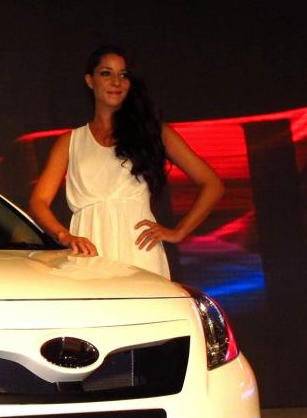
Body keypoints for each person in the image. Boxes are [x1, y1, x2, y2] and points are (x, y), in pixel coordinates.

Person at [28, 45, 225, 278]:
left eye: (123, 75)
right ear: (90, 81)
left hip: (139, 249)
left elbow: (212, 185)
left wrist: (178, 232)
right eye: (106, 73)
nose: (116, 82)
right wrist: (65, 236)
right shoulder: (70, 141)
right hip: (89, 248)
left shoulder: (152, 132)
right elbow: (38, 201)